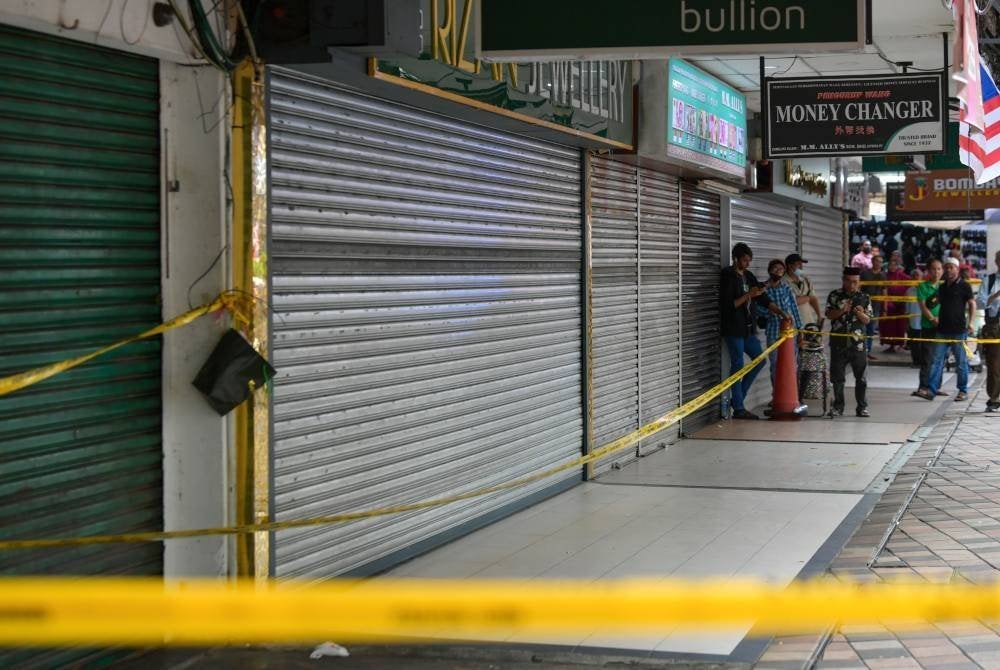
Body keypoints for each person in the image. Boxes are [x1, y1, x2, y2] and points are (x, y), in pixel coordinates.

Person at [720, 243, 793, 420]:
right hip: (733, 328)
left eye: (749, 260)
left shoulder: (748, 276)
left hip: (748, 329)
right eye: (745, 260)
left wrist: (781, 313)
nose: (748, 264)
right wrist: (748, 295)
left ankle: (738, 399)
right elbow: (729, 305)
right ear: (736, 258)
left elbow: (764, 299)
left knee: (759, 361)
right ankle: (739, 408)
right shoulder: (728, 276)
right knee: (737, 365)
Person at [917, 257, 976, 401]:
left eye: (951, 267)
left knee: (961, 363)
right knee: (936, 362)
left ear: (957, 269)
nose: (948, 270)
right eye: (947, 267)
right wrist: (928, 302)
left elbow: (972, 304)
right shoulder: (942, 287)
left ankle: (963, 391)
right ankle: (931, 390)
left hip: (959, 330)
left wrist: (971, 323)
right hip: (942, 330)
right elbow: (931, 302)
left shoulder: (964, 286)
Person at [826, 267, 874, 417]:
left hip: (858, 344)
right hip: (838, 342)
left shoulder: (864, 297)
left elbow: (868, 320)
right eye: (849, 281)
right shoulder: (834, 295)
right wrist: (843, 310)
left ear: (859, 282)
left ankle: (862, 407)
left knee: (861, 378)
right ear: (843, 280)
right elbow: (829, 314)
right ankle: (838, 407)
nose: (852, 285)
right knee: (837, 378)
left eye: (855, 282)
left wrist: (860, 313)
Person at [758, 259, 802, 381]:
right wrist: (768, 312)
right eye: (775, 268)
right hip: (773, 333)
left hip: (790, 333)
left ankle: (793, 393)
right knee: (775, 366)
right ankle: (776, 392)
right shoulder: (763, 289)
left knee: (791, 364)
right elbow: (757, 309)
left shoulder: (787, 288)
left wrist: (800, 330)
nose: (778, 271)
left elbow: (795, 309)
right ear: (769, 271)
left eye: (781, 269)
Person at [914, 259, 944, 398]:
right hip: (928, 327)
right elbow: (923, 306)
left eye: (939, 269)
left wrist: (942, 320)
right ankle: (923, 387)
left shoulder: (944, 287)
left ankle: (935, 387)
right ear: (928, 271)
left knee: (940, 358)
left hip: (943, 327)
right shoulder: (922, 286)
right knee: (927, 358)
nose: (936, 272)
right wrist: (933, 320)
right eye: (933, 269)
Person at [978, 250, 1000, 412]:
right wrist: (995, 296)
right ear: (997, 262)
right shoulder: (989, 280)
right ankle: (994, 398)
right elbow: (979, 303)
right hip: (993, 325)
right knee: (993, 364)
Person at [784, 253, 822, 327]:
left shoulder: (806, 279)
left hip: (808, 323)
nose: (801, 267)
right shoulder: (782, 282)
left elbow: (813, 298)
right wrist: (807, 298)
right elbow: (789, 302)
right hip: (792, 325)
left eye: (801, 264)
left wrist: (819, 316)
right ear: (790, 266)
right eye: (798, 264)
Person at [881, 255, 910, 353]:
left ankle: (901, 344)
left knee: (900, 326)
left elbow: (910, 283)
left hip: (901, 305)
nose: (892, 267)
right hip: (889, 305)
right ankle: (891, 346)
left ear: (897, 266)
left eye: (894, 265)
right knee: (890, 327)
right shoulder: (885, 276)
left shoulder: (902, 275)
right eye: (890, 265)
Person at [860, 254, 886, 360]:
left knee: (871, 329)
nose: (879, 263)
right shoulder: (865, 273)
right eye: (877, 261)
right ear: (872, 261)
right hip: (863, 305)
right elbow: (859, 288)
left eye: (881, 262)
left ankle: (868, 351)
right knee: (862, 328)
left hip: (876, 306)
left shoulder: (883, 275)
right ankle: (860, 350)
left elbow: (885, 291)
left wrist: (885, 307)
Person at [906, 267, 925, 367]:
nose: (916, 277)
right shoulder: (909, 291)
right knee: (914, 344)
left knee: (924, 344)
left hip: (925, 321)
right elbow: (907, 308)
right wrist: (907, 321)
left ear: (922, 277)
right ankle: (916, 361)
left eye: (918, 275)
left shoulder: (926, 289)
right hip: (913, 322)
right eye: (914, 276)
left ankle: (923, 362)